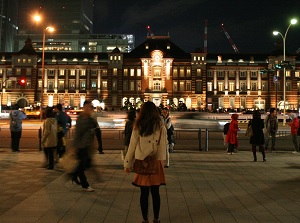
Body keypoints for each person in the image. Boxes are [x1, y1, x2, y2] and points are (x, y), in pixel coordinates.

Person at [124, 101, 167, 223]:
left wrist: (127, 163)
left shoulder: (138, 125)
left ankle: (145, 219)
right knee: (155, 192)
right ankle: (156, 218)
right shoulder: (160, 125)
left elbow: (132, 146)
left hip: (142, 161)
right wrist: (162, 161)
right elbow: (164, 145)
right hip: (156, 162)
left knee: (143, 193)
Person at [72, 100, 98, 192]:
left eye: (90, 107)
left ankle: (73, 175)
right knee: (82, 166)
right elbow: (77, 133)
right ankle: (85, 185)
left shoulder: (90, 119)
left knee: (84, 164)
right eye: (87, 107)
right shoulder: (81, 119)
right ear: (83, 108)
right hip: (81, 145)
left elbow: (94, 131)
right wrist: (75, 146)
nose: (88, 109)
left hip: (87, 145)